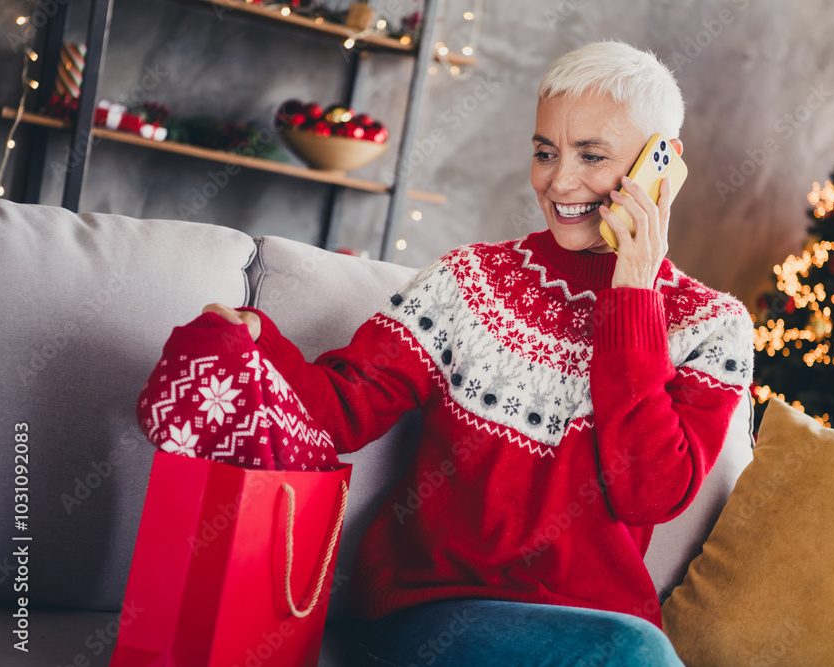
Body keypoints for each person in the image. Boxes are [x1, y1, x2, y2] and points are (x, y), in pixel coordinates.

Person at [206, 40, 753, 667]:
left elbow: (647, 493)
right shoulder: (468, 280)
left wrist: (632, 292)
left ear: (663, 165)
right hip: (431, 612)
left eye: (592, 155)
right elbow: (344, 411)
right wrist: (256, 342)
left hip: (594, 629)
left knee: (627, 648)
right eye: (545, 152)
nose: (559, 181)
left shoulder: (713, 326)